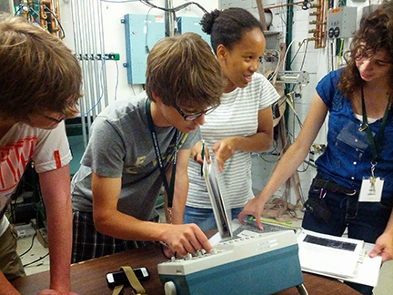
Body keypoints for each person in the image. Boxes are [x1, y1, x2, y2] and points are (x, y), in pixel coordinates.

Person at [239, 1, 393, 294]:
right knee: (304, 277)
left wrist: (391, 232)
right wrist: (262, 198)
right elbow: (299, 147)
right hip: (328, 197)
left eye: (380, 63)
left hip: (376, 207)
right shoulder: (335, 85)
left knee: (358, 287)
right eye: (360, 55)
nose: (365, 67)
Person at [71, 32, 224, 263]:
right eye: (193, 111)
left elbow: (177, 176)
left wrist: (176, 230)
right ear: (157, 95)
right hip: (92, 219)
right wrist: (165, 231)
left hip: (142, 216)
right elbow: (104, 217)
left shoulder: (186, 120)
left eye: (205, 110)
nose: (201, 120)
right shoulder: (113, 127)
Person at [0, 13, 82, 295]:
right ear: (16, 102)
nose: (72, 114)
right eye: (58, 112)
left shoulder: (46, 112)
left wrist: (60, 289)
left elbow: (59, 200)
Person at [183, 8, 280, 232]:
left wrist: (235, 143)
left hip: (241, 202)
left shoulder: (258, 85)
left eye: (259, 58)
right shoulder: (194, 86)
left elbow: (266, 139)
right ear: (222, 52)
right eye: (248, 57)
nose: (255, 67)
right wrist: (194, 147)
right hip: (198, 203)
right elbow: (174, 134)